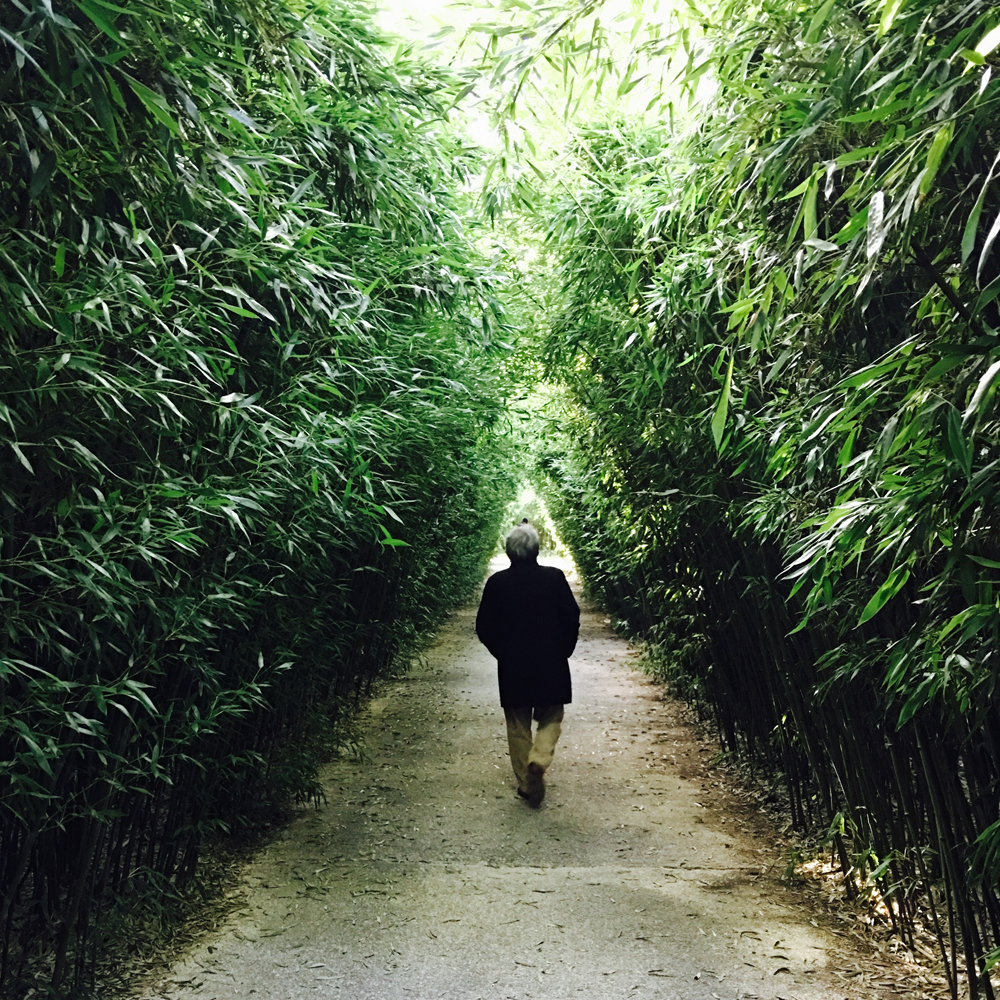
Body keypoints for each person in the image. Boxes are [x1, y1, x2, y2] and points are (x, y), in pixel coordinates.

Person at [475, 522, 580, 805]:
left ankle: (526, 782)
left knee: (518, 723)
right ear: (536, 550)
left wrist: (502, 653)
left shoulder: (497, 583)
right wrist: (564, 649)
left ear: (509, 552)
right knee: (552, 715)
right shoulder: (555, 578)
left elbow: (484, 626)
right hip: (551, 660)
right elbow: (571, 617)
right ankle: (539, 758)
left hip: (513, 664)